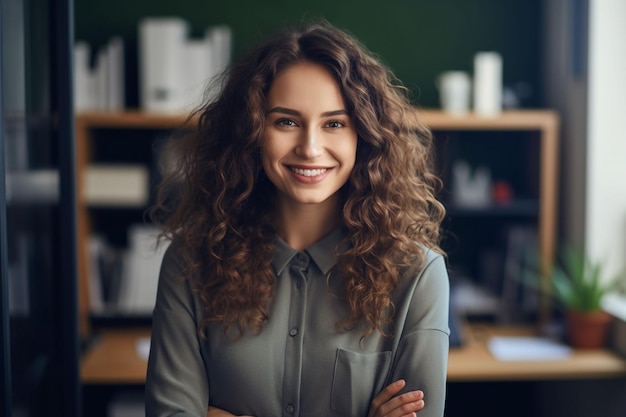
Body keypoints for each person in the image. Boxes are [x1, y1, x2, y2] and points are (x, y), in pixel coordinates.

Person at [145, 21, 450, 417]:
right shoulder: (190, 263)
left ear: (365, 135)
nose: (310, 147)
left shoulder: (417, 274)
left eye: (335, 124)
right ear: (252, 131)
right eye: (286, 121)